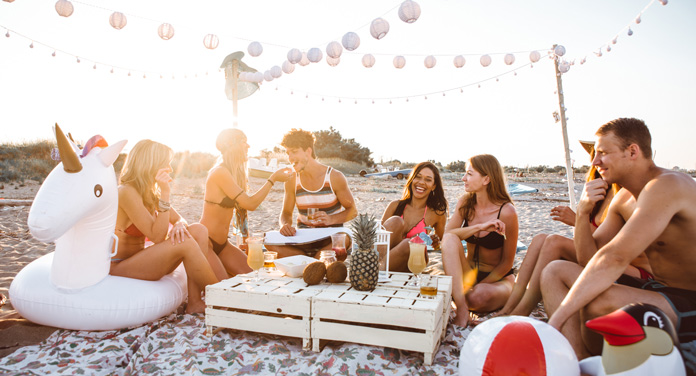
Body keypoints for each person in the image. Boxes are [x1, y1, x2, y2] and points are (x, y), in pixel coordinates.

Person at [542, 118, 696, 359]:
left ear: (632, 151)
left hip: (691, 300)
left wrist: (556, 320)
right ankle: (577, 362)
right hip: (662, 290)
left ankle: (583, 355)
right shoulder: (623, 198)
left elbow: (613, 257)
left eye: (602, 152)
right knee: (555, 271)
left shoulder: (667, 185)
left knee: (599, 303)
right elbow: (590, 259)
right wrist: (582, 213)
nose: (594, 161)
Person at [496, 141, 652, 317]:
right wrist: (580, 217)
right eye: (595, 155)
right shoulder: (602, 190)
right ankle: (511, 304)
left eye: (603, 155)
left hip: (627, 267)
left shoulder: (627, 195)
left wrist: (576, 219)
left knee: (554, 242)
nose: (597, 161)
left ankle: (521, 311)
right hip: (600, 255)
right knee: (540, 238)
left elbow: (611, 244)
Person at [111, 140, 220, 314]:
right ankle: (223, 298)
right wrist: (166, 193)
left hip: (143, 259)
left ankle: (194, 302)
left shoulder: (148, 192)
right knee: (186, 243)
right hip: (120, 266)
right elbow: (157, 237)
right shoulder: (126, 192)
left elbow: (181, 219)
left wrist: (178, 225)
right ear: (150, 164)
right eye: (165, 164)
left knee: (198, 230)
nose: (169, 169)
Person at [200, 129, 292, 277]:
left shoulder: (234, 172)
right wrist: (273, 179)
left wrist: (245, 242)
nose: (248, 146)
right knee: (226, 287)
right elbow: (251, 204)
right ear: (233, 146)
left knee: (254, 276)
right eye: (244, 142)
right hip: (205, 242)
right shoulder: (220, 172)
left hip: (223, 244)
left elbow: (242, 210)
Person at [441, 154, 519, 327]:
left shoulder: (507, 212)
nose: (463, 178)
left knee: (477, 296)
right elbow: (447, 237)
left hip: (498, 279)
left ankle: (464, 298)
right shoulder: (465, 203)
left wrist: (478, 286)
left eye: (469, 174)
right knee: (449, 240)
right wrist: (479, 227)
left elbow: (507, 263)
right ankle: (462, 310)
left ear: (486, 179)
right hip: (469, 273)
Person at [265, 128, 357, 258]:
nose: (290, 158)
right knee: (268, 240)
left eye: (294, 152)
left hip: (329, 239)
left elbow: (352, 210)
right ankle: (315, 262)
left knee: (344, 238)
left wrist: (331, 219)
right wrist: (285, 225)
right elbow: (286, 212)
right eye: (288, 153)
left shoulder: (334, 177)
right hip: (303, 239)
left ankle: (306, 262)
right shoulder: (291, 179)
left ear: (308, 151)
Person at [380, 161, 448, 272]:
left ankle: (375, 271)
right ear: (412, 179)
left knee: (409, 244)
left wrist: (435, 242)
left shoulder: (437, 214)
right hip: (388, 259)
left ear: (434, 186)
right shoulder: (394, 206)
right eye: (418, 177)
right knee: (395, 221)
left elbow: (440, 245)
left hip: (414, 261)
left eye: (428, 180)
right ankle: (377, 268)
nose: (421, 182)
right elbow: (379, 240)